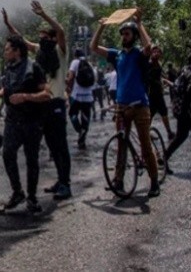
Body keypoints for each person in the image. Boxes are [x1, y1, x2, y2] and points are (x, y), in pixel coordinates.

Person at [2, 0, 72, 199]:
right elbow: (21, 41)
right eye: (40, 38)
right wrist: (9, 25)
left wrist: (43, 15)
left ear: (52, 38)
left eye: (44, 37)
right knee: (50, 145)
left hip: (56, 102)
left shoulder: (60, 51)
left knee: (60, 144)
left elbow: (61, 31)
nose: (41, 41)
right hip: (43, 105)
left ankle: (66, 183)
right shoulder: (40, 52)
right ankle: (60, 180)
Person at [89, 11, 161, 198]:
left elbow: (149, 46)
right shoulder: (117, 55)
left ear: (134, 37)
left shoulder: (139, 54)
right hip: (121, 106)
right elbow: (94, 47)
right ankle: (118, 180)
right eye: (122, 34)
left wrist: (140, 24)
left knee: (145, 145)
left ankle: (154, 181)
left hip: (140, 106)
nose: (123, 36)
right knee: (121, 144)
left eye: (127, 34)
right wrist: (101, 26)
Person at [0, 35, 51, 213]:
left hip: (32, 122)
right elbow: (8, 88)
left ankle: (32, 197)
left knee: (32, 159)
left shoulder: (34, 67)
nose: (5, 52)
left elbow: (47, 94)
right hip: (12, 121)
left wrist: (26, 97)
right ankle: (17, 192)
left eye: (7, 49)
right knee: (8, 153)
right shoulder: (9, 68)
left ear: (17, 51)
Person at [66, 49, 95, 149]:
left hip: (77, 95)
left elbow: (70, 78)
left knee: (72, 115)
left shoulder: (75, 62)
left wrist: (68, 89)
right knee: (85, 118)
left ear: (75, 56)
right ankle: (82, 141)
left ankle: (79, 130)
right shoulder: (90, 64)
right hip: (89, 97)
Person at [147, 46, 176, 140]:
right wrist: (160, 82)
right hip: (152, 93)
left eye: (158, 52)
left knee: (161, 112)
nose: (156, 53)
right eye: (154, 51)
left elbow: (158, 76)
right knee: (154, 113)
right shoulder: (150, 63)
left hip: (157, 92)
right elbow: (149, 78)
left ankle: (168, 132)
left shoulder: (157, 63)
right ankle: (148, 134)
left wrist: (164, 80)